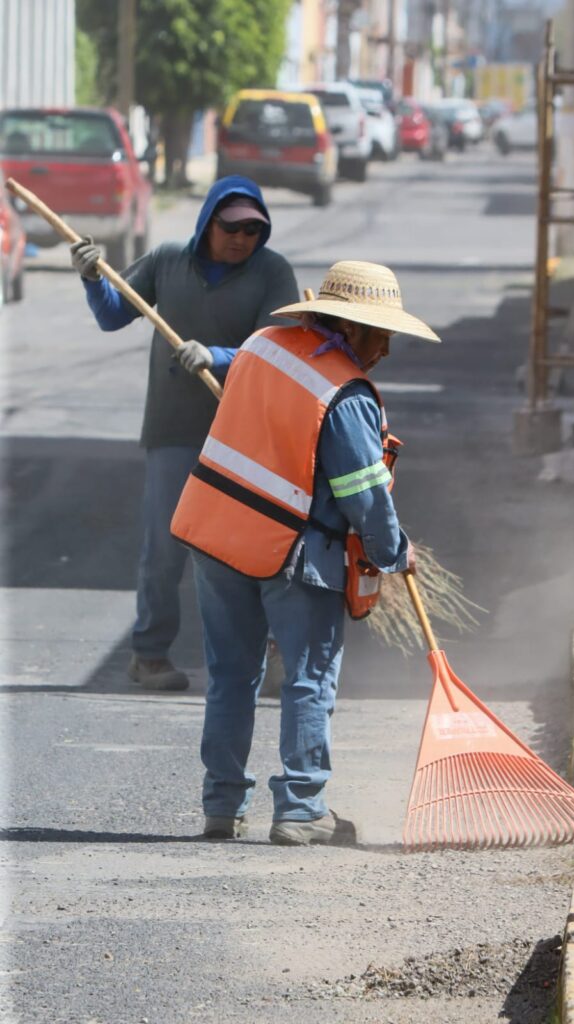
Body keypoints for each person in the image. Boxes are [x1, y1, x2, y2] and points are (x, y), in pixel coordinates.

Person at [171, 260, 440, 845]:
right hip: (289, 549)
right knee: (309, 678)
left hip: (215, 533)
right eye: (382, 335)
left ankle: (221, 805)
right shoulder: (345, 393)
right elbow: (362, 494)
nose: (386, 351)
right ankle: (300, 809)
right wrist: (394, 552)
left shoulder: (260, 346)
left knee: (231, 676)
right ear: (351, 327)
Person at [69, 177, 299, 692]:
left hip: (244, 436)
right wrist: (92, 279)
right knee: (165, 549)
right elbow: (112, 315)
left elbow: (277, 349)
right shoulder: (167, 261)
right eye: (231, 227)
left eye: (253, 231)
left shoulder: (272, 271)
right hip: (173, 428)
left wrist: (217, 356)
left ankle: (268, 656)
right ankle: (149, 655)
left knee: (253, 549)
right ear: (207, 223)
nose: (241, 239)